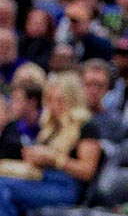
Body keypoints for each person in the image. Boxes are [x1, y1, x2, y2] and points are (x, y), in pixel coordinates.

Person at [0, 72, 101, 216]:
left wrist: (56, 159)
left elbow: (87, 171)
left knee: (1, 187)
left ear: (72, 99)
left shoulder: (86, 127)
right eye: (51, 100)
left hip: (66, 187)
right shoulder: (50, 127)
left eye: (60, 100)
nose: (54, 106)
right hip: (41, 179)